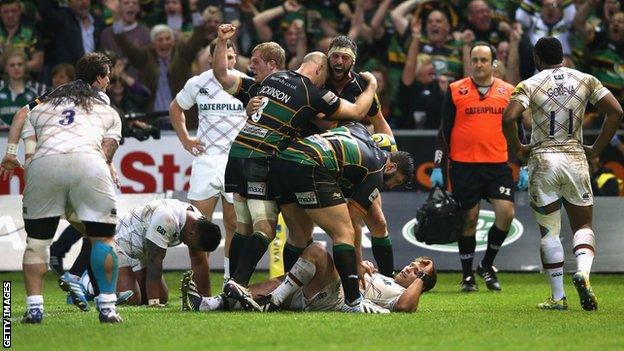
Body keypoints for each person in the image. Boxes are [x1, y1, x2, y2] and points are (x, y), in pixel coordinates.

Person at [213, 24, 378, 312]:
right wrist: (373, 87)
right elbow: (356, 112)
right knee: (265, 228)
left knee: (243, 228)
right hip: (263, 159)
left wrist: (220, 42)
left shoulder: (271, 80)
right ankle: (238, 285)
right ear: (317, 70)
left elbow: (222, 76)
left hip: (236, 153)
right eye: (325, 72)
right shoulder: (313, 93)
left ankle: (230, 290)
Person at [0, 52, 123, 323]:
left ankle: (34, 308)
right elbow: (107, 151)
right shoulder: (106, 108)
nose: (109, 82)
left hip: (45, 166)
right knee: (103, 238)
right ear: (100, 78)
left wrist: (11, 153)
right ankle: (108, 307)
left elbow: (22, 115)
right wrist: (107, 166)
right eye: (108, 77)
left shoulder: (47, 99)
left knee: (36, 243)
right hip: (89, 163)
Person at [502, 36, 623, 311]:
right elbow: (615, 112)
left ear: (536, 59)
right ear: (563, 56)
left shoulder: (529, 84)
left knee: (549, 231)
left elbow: (509, 118)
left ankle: (558, 297)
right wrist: (595, 149)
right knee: (583, 225)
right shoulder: (586, 80)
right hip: (574, 157)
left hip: (543, 158)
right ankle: (583, 272)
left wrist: (519, 148)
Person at [263, 123, 414, 313]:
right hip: (309, 165)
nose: (391, 186)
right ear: (391, 166)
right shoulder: (376, 172)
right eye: (396, 181)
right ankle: (353, 301)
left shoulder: (359, 130)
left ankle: (277, 293)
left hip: (284, 160)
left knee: (298, 235)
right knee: (344, 231)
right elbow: (353, 219)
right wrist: (358, 263)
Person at [282, 35, 397, 278]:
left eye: (345, 57)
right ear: (327, 56)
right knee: (302, 231)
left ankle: (388, 281)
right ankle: (295, 284)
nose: (338, 61)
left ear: (353, 62)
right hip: (318, 162)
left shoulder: (362, 87)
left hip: (354, 162)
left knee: (378, 221)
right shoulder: (315, 82)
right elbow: (324, 123)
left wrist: (391, 154)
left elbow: (380, 123)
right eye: (334, 55)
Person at [430, 42, 516, 292]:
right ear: (470, 62)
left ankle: (487, 264)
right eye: (475, 60)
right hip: (464, 166)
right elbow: (444, 131)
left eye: (484, 60)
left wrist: (522, 162)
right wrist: (438, 165)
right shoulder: (456, 89)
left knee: (506, 213)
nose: (479, 64)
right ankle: (467, 276)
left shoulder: (508, 91)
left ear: (493, 63)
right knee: (469, 220)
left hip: (497, 165)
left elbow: (516, 130)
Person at [169, 37, 247, 290]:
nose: (228, 61)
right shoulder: (197, 83)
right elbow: (175, 108)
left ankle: (230, 282)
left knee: (234, 223)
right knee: (197, 225)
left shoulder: (246, 84)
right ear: (212, 58)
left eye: (232, 57)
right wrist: (185, 140)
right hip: (206, 161)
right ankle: (201, 289)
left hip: (235, 161)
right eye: (224, 56)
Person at [180, 243, 436, 314]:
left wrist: (423, 278)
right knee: (283, 279)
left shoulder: (404, 297)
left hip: (339, 301)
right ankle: (209, 303)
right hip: (325, 293)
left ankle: (275, 301)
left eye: (415, 271)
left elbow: (404, 307)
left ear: (421, 282)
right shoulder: (384, 277)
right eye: (411, 265)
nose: (408, 269)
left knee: (317, 252)